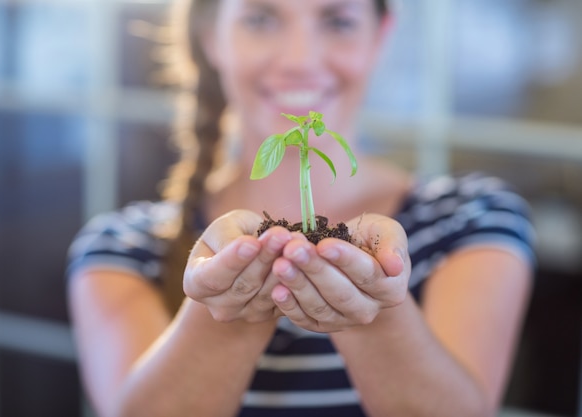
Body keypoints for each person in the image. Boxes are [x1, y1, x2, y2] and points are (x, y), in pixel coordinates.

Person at [66, 0, 535, 416]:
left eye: (337, 20)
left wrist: (375, 307)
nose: (299, 59)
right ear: (211, 38)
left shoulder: (470, 220)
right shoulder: (123, 247)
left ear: (380, 36)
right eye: (260, 18)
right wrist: (227, 309)